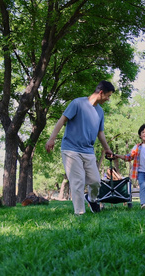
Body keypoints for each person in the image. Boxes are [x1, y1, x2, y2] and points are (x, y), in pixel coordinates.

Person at [45, 80, 114, 215]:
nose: (108, 99)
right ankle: (80, 213)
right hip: (71, 149)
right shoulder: (78, 103)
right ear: (101, 93)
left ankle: (92, 199)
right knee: (78, 181)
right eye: (108, 96)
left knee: (95, 181)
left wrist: (107, 148)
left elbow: (100, 132)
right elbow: (62, 120)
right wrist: (52, 138)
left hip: (88, 150)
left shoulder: (100, 112)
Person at [113, 124, 145, 209]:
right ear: (140, 135)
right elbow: (129, 157)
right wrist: (117, 156)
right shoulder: (137, 147)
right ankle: (143, 204)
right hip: (140, 171)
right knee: (143, 186)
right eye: (143, 132)